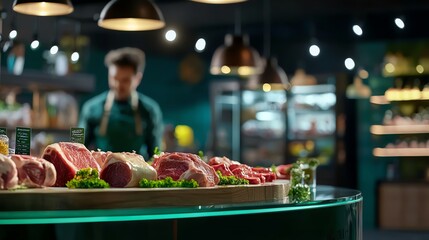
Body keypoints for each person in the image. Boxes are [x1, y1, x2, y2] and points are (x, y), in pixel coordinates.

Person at [78, 47, 163, 159]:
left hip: (138, 173)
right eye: (114, 78)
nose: (118, 85)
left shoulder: (150, 109)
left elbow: (156, 153)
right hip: (102, 172)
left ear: (137, 79)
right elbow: (77, 145)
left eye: (125, 80)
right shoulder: (90, 107)